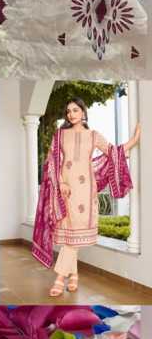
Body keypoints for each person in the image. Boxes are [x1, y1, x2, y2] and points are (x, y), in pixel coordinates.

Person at [32, 98, 141, 296]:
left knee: (74, 235)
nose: (71, 114)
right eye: (68, 111)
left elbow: (113, 153)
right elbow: (51, 162)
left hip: (85, 191)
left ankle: (60, 278)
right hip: (65, 190)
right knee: (70, 236)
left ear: (83, 112)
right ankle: (72, 275)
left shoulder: (93, 136)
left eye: (75, 110)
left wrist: (133, 141)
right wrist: (61, 183)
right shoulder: (60, 135)